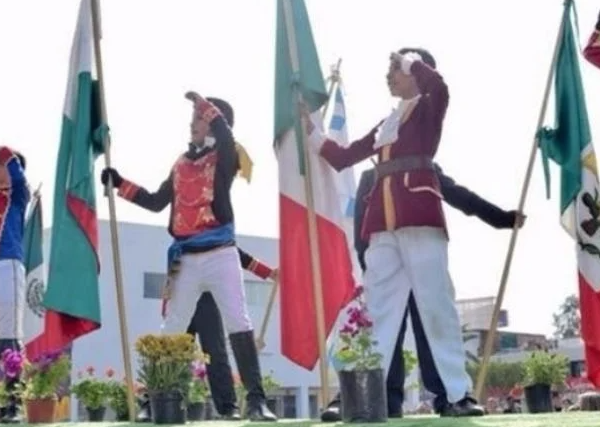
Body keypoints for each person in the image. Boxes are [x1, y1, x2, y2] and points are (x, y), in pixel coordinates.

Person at [303, 48, 482, 417]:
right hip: (381, 225)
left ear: (414, 73)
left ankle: (456, 394)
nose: (389, 76)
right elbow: (345, 156)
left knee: (436, 307)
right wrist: (312, 134)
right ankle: (357, 392)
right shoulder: (389, 121)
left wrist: (410, 60)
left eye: (395, 70)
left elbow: (442, 87)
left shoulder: (430, 107)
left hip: (419, 216)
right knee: (373, 311)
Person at [101, 94, 277, 422]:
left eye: (198, 118)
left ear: (213, 122)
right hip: (186, 259)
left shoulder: (227, 157)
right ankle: (153, 401)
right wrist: (120, 184)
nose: (191, 123)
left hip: (221, 254)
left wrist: (207, 107)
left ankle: (256, 401)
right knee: (173, 328)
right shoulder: (180, 163)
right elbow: (156, 201)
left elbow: (226, 136)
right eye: (194, 117)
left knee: (239, 321)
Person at [321, 165, 526, 421]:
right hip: (386, 264)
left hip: (422, 262)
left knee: (434, 328)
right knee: (380, 333)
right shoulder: (371, 177)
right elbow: (362, 227)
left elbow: (458, 195)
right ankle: (375, 398)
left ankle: (451, 397)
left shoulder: (423, 164)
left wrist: (501, 218)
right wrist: (368, 265)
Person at [134, 248, 278, 423]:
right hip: (182, 296)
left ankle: (228, 406)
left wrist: (269, 272)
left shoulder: (216, 232)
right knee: (169, 353)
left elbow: (235, 255)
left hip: (208, 300)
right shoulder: (183, 235)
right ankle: (152, 404)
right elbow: (174, 263)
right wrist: (166, 304)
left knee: (216, 353)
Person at [0, 147, 30, 424]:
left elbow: (18, 180)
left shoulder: (18, 197)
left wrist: (5, 153)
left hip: (7, 264)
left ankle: (14, 402)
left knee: (9, 335)